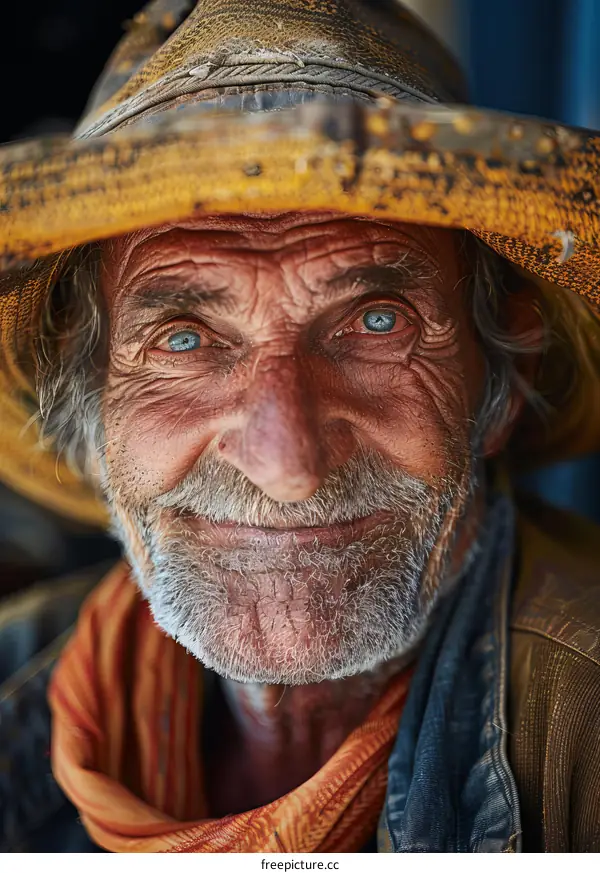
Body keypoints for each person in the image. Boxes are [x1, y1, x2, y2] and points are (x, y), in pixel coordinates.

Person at [1, 0, 600, 854]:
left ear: (503, 382)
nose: (288, 465)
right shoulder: (20, 672)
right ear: (90, 407)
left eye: (378, 322)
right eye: (182, 338)